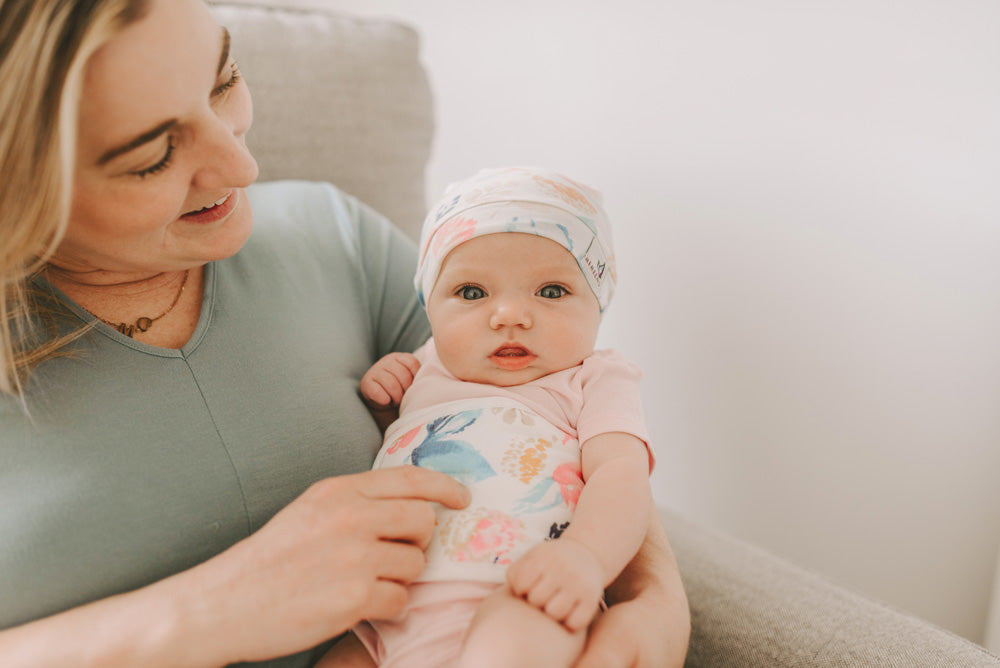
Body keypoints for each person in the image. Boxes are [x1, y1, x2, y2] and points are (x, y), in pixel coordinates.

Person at [0, 1, 690, 666]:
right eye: (152, 155)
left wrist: (654, 599)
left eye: (224, 81)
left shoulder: (333, 237)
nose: (242, 167)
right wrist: (201, 613)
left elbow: (540, 413)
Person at [318, 166, 659, 668]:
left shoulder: (594, 379)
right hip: (388, 614)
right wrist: (386, 410)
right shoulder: (424, 369)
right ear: (430, 308)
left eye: (551, 291)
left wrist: (585, 558)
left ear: (598, 305)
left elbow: (621, 474)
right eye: (473, 293)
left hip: (526, 591)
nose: (510, 316)